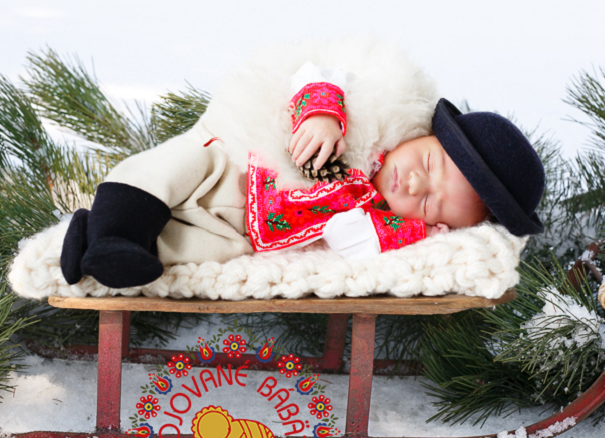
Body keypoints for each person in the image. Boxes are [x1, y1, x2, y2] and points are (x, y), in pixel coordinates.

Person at [60, 46, 546, 289]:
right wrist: (322, 113)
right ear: (426, 136)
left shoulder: (383, 221)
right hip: (233, 166)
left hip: (243, 231)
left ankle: (103, 244)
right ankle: (115, 222)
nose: (415, 182)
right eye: (429, 163)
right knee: (173, 167)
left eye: (428, 203)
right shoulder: (371, 118)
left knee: (197, 248)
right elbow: (316, 72)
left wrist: (418, 234)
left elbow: (353, 248)